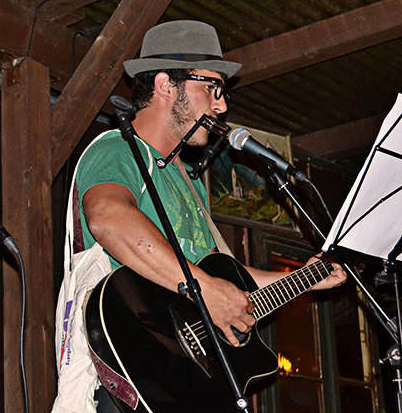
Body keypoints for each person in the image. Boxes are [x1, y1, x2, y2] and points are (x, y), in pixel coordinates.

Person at [53, 20, 347, 413]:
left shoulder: (188, 181)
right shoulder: (118, 150)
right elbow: (107, 218)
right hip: (134, 373)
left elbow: (231, 283)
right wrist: (204, 288)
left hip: (185, 385)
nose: (221, 105)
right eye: (211, 88)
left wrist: (303, 279)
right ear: (165, 85)